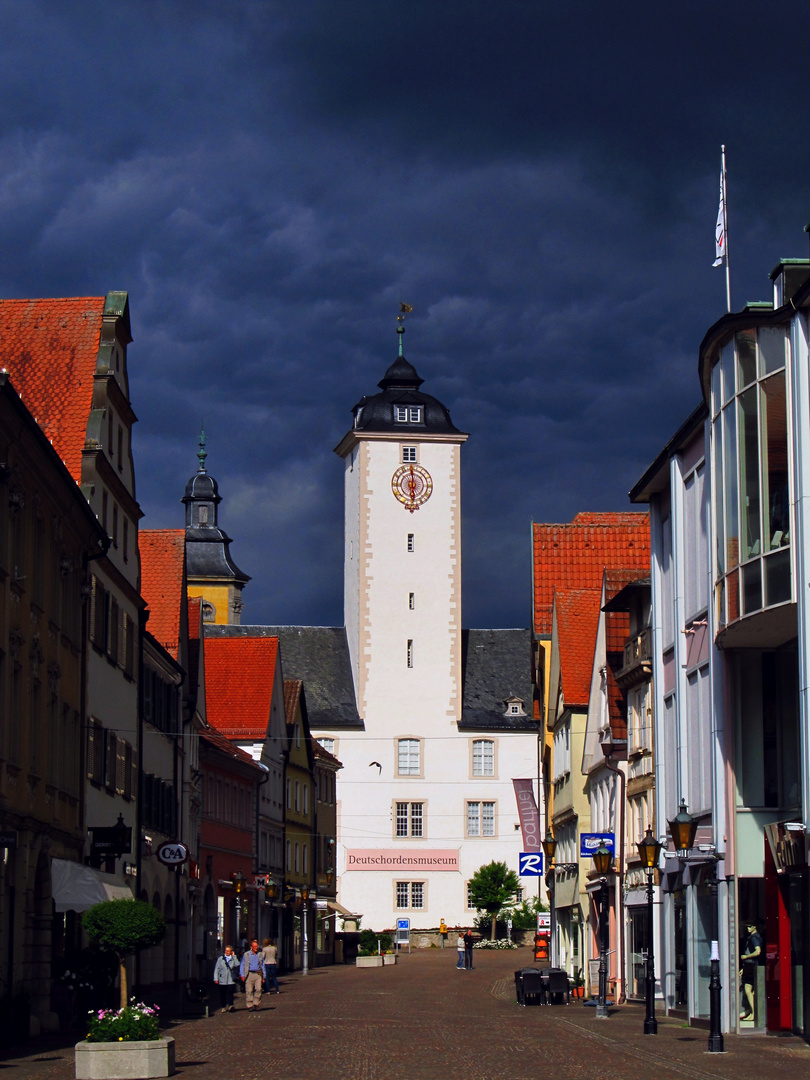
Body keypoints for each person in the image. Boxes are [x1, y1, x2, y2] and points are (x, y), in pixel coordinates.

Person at [740, 920, 763, 1020]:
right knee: (752, 990)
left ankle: (754, 1013)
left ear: (755, 927)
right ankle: (751, 1011)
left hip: (751, 965)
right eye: (747, 927)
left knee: (747, 988)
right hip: (751, 966)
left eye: (750, 926)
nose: (748, 929)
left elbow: (758, 951)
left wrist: (746, 957)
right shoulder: (755, 937)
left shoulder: (754, 938)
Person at [213, 945, 240, 1013]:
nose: (227, 952)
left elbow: (237, 964)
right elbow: (217, 969)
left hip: (231, 979)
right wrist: (216, 978)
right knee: (223, 994)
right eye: (226, 951)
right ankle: (223, 1006)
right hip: (222, 979)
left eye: (228, 951)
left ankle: (231, 1005)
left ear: (231, 952)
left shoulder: (233, 959)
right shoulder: (221, 959)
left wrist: (234, 956)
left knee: (230, 993)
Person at [240, 939, 265, 1011]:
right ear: (251, 947)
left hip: (258, 974)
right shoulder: (246, 955)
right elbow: (242, 965)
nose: (256, 948)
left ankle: (256, 1003)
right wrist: (242, 975)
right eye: (254, 946)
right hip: (249, 974)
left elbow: (262, 965)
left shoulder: (260, 955)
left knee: (258, 989)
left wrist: (264, 976)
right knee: (249, 990)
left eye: (257, 946)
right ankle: (250, 1004)